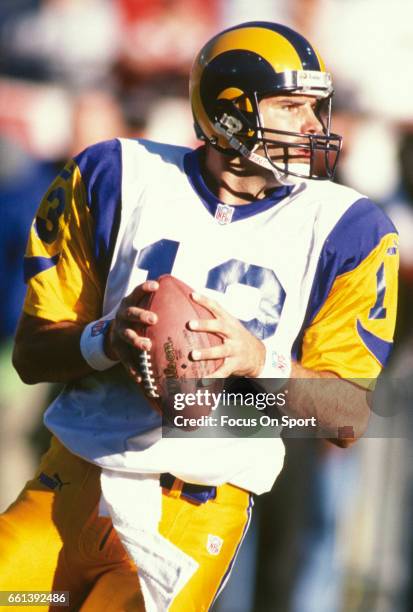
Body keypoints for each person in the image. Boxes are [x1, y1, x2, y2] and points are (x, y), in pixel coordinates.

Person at [0, 21, 398, 611]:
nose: (316, 127)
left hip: (188, 520)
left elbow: (347, 418)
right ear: (230, 111)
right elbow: (32, 355)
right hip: (63, 491)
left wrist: (257, 361)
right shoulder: (114, 176)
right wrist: (106, 340)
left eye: (318, 107)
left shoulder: (349, 229)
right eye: (291, 107)